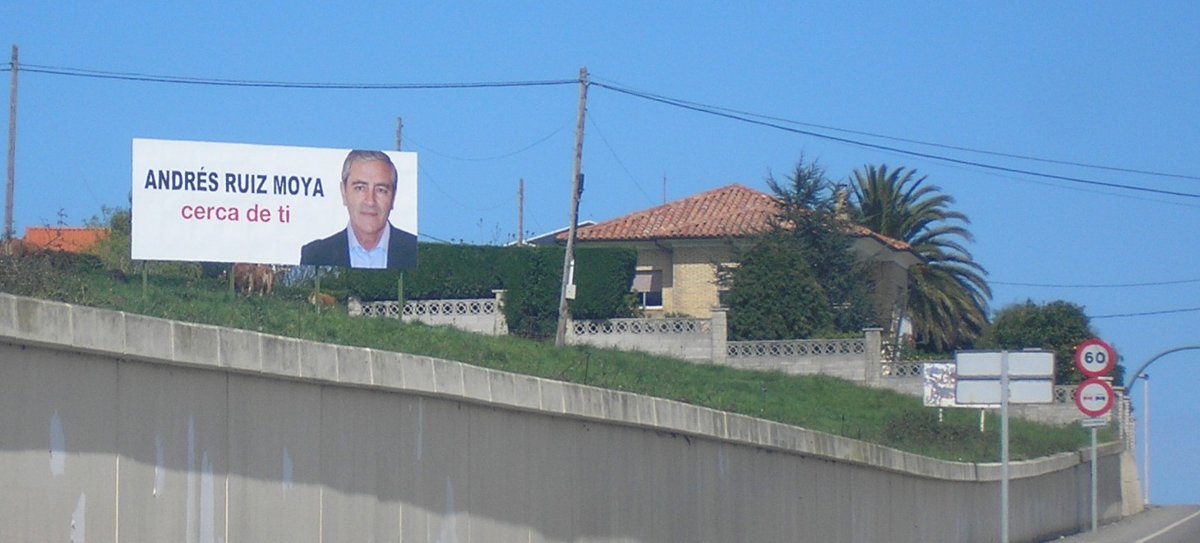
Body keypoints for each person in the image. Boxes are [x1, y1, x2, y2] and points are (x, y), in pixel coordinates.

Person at [300, 150, 417, 269]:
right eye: (360, 188)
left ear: (393, 197)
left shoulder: (416, 251)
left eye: (381, 190)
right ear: (344, 192)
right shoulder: (315, 255)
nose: (370, 201)